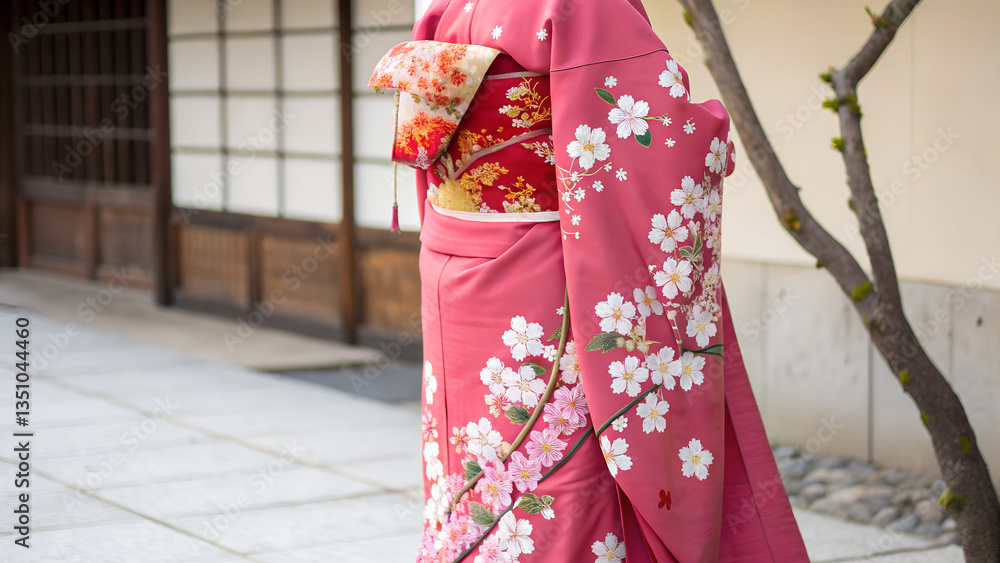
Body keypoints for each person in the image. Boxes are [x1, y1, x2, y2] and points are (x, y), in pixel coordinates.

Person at [369, 1, 809, 560]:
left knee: (478, 461)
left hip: (455, 260)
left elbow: (430, 148)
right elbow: (651, 134)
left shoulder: (451, 5)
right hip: (542, 271)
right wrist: (709, 133)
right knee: (563, 477)